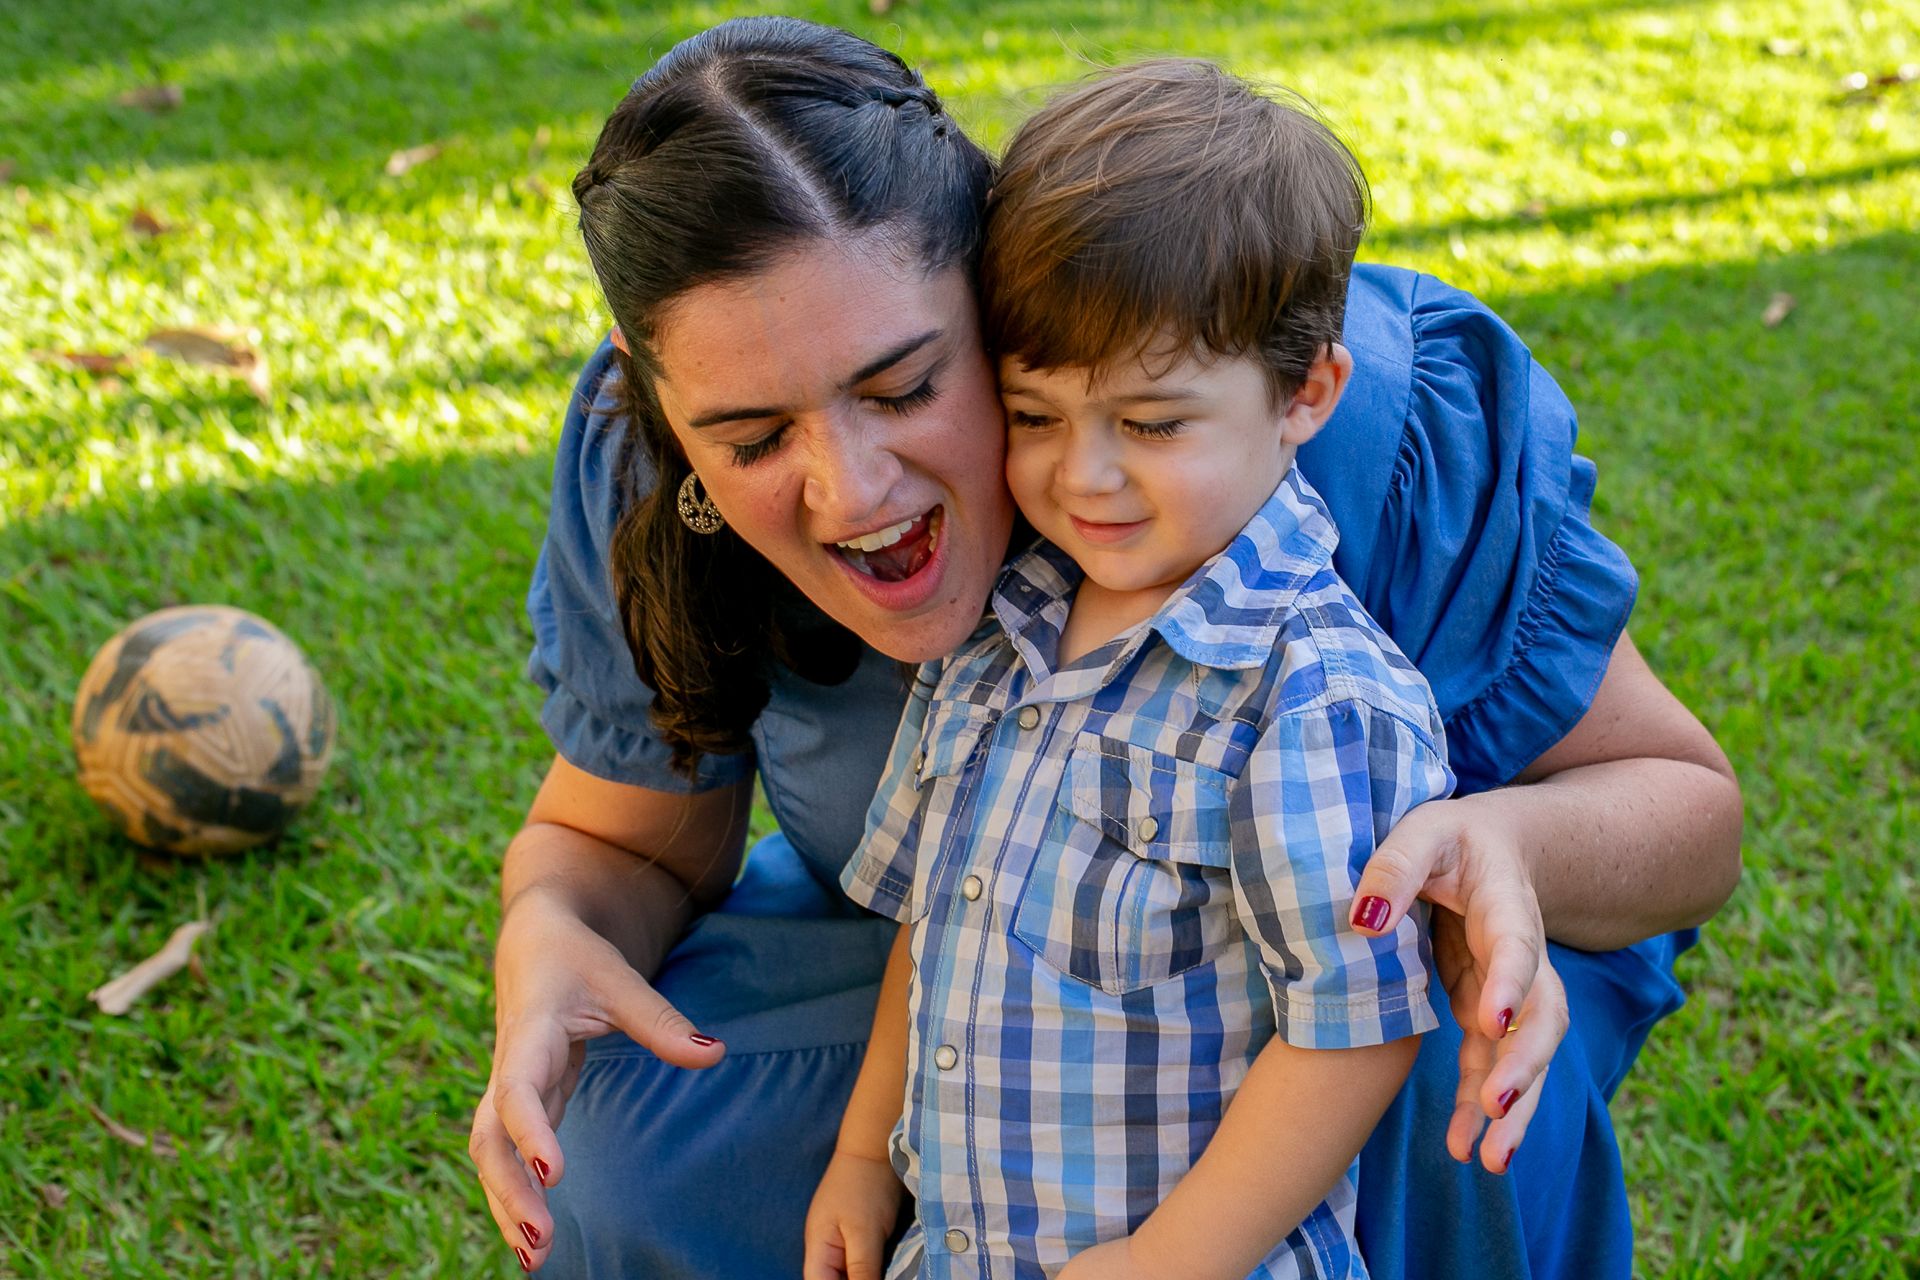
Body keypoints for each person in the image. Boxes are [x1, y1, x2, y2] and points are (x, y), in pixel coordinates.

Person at [466, 16, 1743, 1279]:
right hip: (970, 968)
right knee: (622, 1148)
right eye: (752, 439)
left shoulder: (1322, 424)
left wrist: (1491, 847)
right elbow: (629, 841)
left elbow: (1691, 810)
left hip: (1372, 988)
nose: (852, 492)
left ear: (997, 288)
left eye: (906, 387)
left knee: (1408, 1011)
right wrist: (548, 930)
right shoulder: (654, 461)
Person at [806, 60, 1455, 1280]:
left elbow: (1355, 1027)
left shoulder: (1311, 696)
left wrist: (1171, 1258)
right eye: (1035, 415)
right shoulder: (992, 635)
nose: (1086, 474)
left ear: (1306, 391)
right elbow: (938, 922)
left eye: (1152, 423)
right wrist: (859, 1155)